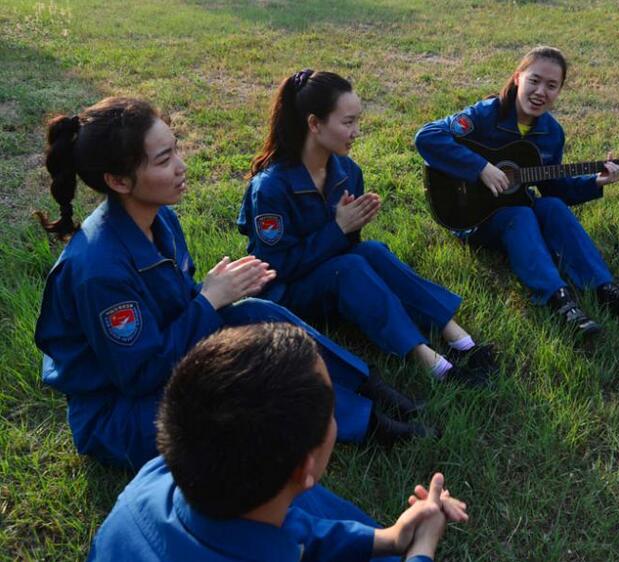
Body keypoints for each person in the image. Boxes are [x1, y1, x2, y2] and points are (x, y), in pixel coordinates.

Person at [34, 97, 429, 470]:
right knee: (242, 388)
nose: (181, 166)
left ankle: (367, 387)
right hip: (121, 412)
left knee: (257, 313)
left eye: (176, 149)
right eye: (164, 159)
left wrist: (215, 299)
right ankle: (366, 425)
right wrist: (208, 301)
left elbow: (175, 311)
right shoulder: (98, 270)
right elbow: (139, 375)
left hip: (161, 368)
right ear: (119, 181)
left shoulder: (160, 219)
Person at [88, 323, 468, 561]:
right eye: (332, 411)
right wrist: (421, 548)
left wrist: (389, 538)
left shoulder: (153, 478)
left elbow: (290, 531)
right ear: (306, 468)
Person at [239, 70, 496, 387]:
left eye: (357, 120)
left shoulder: (347, 171)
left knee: (371, 252)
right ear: (314, 124)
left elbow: (351, 247)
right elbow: (275, 268)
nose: (356, 131)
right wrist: (337, 228)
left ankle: (460, 340)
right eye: (347, 123)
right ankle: (432, 363)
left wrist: (349, 228)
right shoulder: (270, 188)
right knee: (349, 267)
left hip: (337, 278)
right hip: (292, 296)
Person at [414, 46, 619, 340]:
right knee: (522, 214)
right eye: (534, 80)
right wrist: (481, 168)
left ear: (560, 90)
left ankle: (607, 291)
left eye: (552, 86)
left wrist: (595, 183)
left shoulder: (551, 133)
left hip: (514, 207)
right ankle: (560, 303)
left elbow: (555, 188)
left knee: (552, 207)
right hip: (472, 216)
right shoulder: (486, 115)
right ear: (517, 78)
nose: (541, 92)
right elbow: (427, 137)